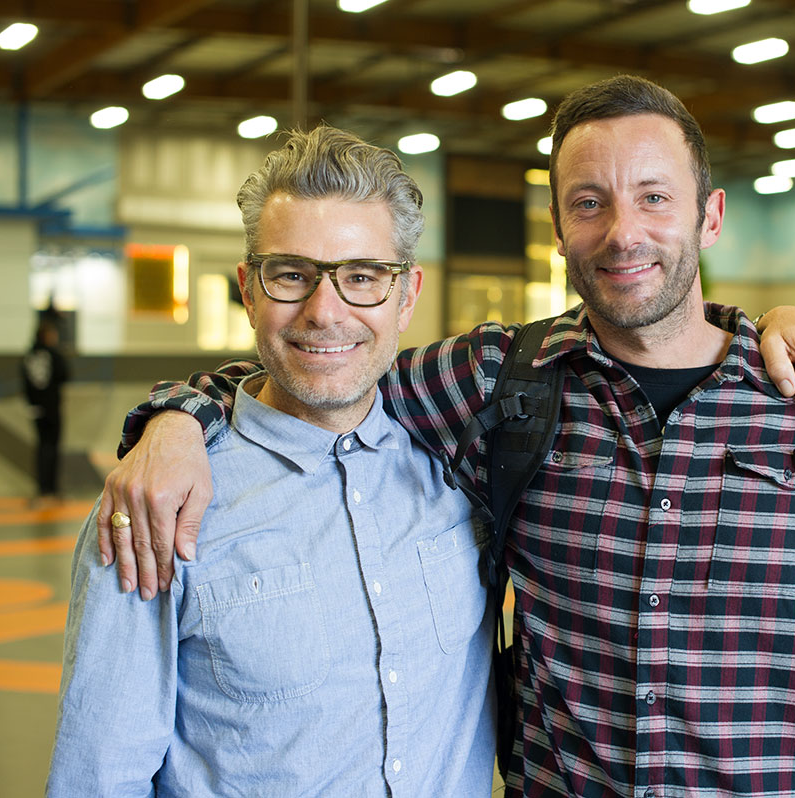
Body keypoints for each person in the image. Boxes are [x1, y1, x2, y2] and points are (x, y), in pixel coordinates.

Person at [103, 76, 795, 796]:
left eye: (656, 197)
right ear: (558, 228)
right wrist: (179, 417)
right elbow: (327, 361)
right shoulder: (496, 385)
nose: (623, 231)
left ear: (710, 216)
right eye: (589, 203)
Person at [47, 126, 495, 796]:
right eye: (291, 275)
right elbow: (98, 778)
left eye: (363, 278)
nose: (324, 312)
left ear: (407, 295)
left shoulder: (459, 468)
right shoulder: (159, 505)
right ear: (248, 289)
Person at [21, 315, 68, 503]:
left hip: (35, 409)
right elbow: (64, 374)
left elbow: (25, 381)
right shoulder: (53, 355)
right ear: (47, 336)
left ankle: (42, 489)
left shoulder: (29, 355)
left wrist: (31, 403)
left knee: (41, 447)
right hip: (52, 408)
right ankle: (52, 490)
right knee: (53, 448)